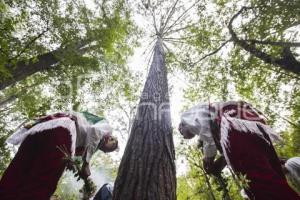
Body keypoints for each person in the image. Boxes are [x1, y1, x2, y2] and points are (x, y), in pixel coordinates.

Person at [178, 101, 300, 200]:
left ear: (182, 125)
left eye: (181, 133)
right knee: (270, 173)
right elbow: (210, 139)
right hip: (251, 126)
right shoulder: (209, 118)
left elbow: (207, 136)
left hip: (235, 128)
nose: (183, 137)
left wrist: (208, 159)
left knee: (260, 182)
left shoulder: (186, 118)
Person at [0, 111, 118, 200]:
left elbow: (76, 148)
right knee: (43, 184)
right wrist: (86, 164)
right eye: (108, 150)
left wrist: (71, 163)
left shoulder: (88, 143)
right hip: (61, 133)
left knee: (19, 171)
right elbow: (94, 131)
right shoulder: (106, 128)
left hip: (44, 128)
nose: (104, 151)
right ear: (110, 139)